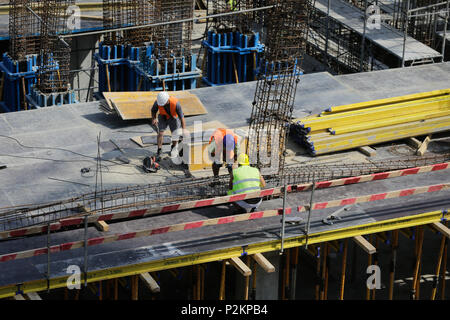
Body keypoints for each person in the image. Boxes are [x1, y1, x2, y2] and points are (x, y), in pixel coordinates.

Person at [151, 92, 186, 161]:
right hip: (163, 116)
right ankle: (159, 149)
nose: (162, 105)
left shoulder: (176, 103)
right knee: (160, 133)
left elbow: (182, 118)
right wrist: (154, 118)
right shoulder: (157, 102)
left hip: (173, 117)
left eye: (164, 103)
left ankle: (173, 147)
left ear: (167, 100)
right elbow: (153, 110)